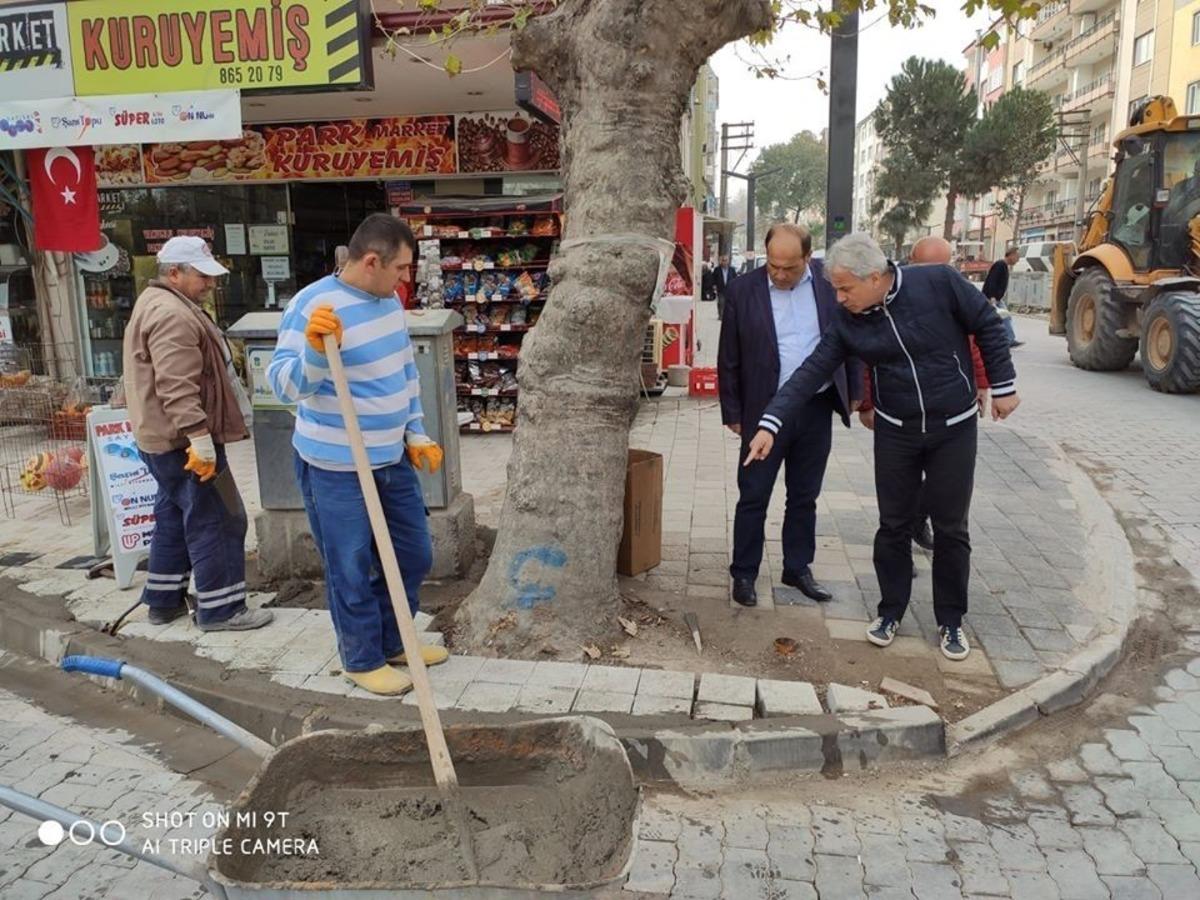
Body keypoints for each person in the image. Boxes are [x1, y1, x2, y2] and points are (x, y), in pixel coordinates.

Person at [744, 233, 1019, 661]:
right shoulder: (850, 321)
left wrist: (1002, 386)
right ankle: (890, 610)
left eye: (844, 288)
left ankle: (950, 620)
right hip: (896, 431)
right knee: (893, 525)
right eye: (834, 288)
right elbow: (810, 370)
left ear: (875, 277)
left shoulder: (937, 284)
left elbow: (986, 323)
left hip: (954, 427)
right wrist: (770, 424)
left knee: (950, 527)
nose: (837, 298)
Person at [268, 214, 447, 697]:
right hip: (336, 467)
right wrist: (315, 353)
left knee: (413, 554)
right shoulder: (313, 305)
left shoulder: (388, 302)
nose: (406, 279)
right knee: (350, 563)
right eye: (402, 268)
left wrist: (415, 431)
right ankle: (361, 658)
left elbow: (404, 372)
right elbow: (284, 387)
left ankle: (395, 640)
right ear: (372, 261)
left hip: (390, 460)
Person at [123, 236, 273, 632]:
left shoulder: (163, 303)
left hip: (165, 440)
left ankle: (163, 600)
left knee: (174, 516)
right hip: (186, 444)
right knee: (220, 518)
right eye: (203, 276)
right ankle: (222, 610)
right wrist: (200, 438)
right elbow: (176, 385)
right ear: (175, 273)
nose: (211, 284)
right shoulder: (172, 314)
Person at [718, 223, 863, 608]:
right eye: (773, 266)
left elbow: (851, 339)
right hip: (763, 409)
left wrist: (856, 391)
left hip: (816, 405)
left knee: (805, 494)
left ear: (807, 258)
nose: (780, 274)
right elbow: (728, 357)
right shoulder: (742, 290)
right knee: (753, 494)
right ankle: (744, 572)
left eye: (790, 267)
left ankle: (797, 567)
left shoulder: (829, 284)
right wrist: (732, 411)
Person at [861, 236, 991, 553]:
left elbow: (975, 340)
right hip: (898, 415)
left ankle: (920, 519)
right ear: (911, 261)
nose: (935, 275)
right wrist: (866, 402)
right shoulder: (884, 296)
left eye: (943, 267)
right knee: (898, 491)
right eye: (926, 266)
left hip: (948, 413)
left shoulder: (953, 293)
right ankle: (901, 547)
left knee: (943, 483)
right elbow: (865, 353)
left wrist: (983, 384)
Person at [983, 247, 1023, 348]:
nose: (1018, 260)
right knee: (1005, 317)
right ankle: (1009, 339)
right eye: (1017, 257)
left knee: (1003, 317)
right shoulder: (1000, 265)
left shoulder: (1003, 265)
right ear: (1011, 255)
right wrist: (992, 297)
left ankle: (1008, 339)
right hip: (992, 297)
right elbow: (992, 280)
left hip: (996, 298)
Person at [713, 253, 737, 321]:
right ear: (721, 261)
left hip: (730, 289)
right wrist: (714, 286)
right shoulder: (717, 269)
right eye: (723, 260)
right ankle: (721, 316)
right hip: (720, 288)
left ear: (728, 261)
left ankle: (728, 316)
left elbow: (735, 278)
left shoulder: (732, 270)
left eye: (726, 260)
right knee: (721, 302)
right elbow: (714, 278)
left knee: (729, 303)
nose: (724, 262)